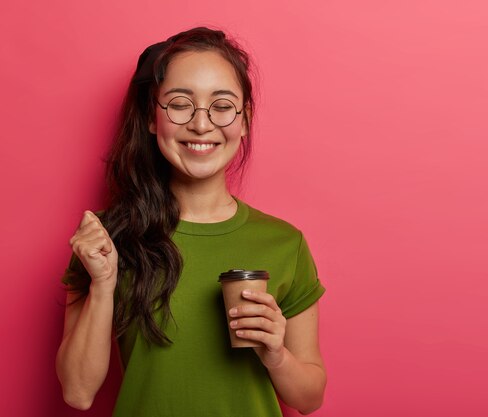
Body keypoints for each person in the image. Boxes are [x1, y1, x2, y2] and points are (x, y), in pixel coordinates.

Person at [56, 27, 326, 417]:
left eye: (222, 105)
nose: (202, 125)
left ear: (245, 119)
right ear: (153, 117)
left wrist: (276, 353)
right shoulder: (105, 239)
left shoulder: (284, 242)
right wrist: (103, 282)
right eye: (180, 104)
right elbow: (77, 393)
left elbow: (309, 399)